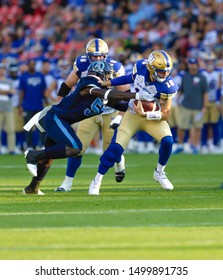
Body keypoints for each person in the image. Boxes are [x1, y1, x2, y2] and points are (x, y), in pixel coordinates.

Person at [23, 61, 150, 195]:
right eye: (107, 75)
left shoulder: (103, 94)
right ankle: (33, 155)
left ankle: (32, 188)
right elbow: (107, 95)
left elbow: (122, 104)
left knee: (48, 156)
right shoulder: (88, 81)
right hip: (55, 117)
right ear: (99, 73)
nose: (109, 79)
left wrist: (145, 104)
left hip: (62, 121)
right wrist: (136, 95)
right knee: (75, 147)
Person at [88, 50, 179, 195]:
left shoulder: (168, 86)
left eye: (166, 71)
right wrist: (108, 82)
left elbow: (166, 114)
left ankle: (159, 172)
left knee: (168, 141)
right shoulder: (141, 68)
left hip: (151, 116)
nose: (164, 74)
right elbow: (129, 78)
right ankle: (97, 180)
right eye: (160, 71)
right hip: (132, 113)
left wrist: (146, 113)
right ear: (151, 68)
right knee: (116, 149)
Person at [54, 38, 130, 192]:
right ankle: (67, 183)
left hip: (110, 112)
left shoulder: (115, 68)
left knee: (110, 151)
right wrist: (58, 105)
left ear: (106, 55)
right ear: (88, 55)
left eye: (101, 56)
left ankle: (119, 161)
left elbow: (126, 95)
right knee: (77, 147)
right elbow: (66, 86)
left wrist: (120, 116)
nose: (98, 59)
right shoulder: (82, 65)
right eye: (94, 56)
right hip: (88, 112)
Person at [174, 57, 208, 154]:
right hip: (185, 106)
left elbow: (205, 93)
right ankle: (180, 145)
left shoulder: (202, 77)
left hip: (198, 107)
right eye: (190, 64)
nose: (192, 66)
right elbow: (182, 90)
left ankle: (195, 146)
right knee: (182, 127)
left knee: (197, 127)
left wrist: (204, 106)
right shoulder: (185, 76)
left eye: (193, 64)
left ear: (197, 65)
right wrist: (177, 99)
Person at [18, 59, 48, 150]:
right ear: (28, 65)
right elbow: (22, 92)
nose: (32, 66)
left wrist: (46, 102)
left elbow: (43, 90)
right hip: (27, 105)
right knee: (28, 127)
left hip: (39, 105)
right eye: (30, 64)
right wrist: (20, 105)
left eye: (33, 64)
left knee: (42, 126)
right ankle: (29, 145)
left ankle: (42, 144)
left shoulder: (40, 76)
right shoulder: (23, 77)